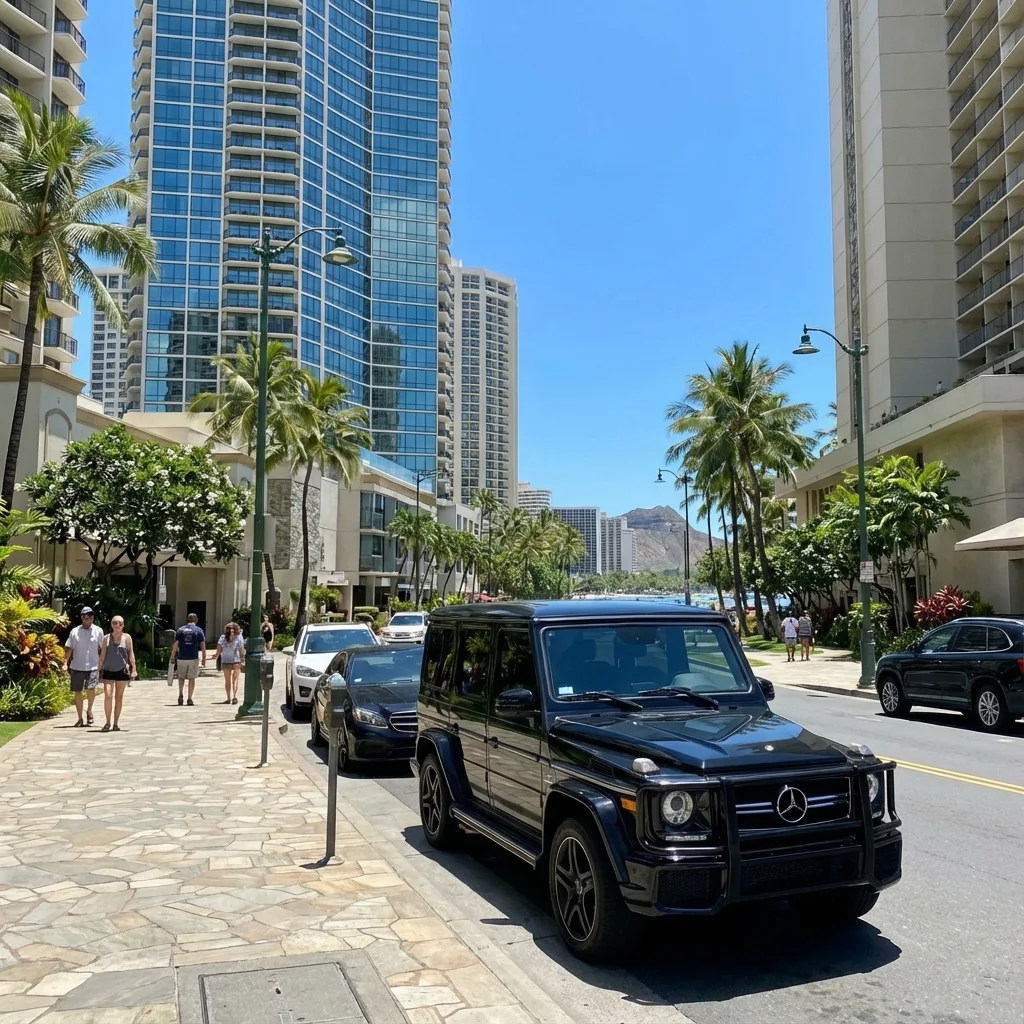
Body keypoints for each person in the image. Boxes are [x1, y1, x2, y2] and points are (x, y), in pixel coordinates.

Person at [64, 606, 104, 727]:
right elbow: (69, 648)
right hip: (77, 666)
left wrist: (102, 664)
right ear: (81, 617)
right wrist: (65, 663)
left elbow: (103, 648)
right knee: (78, 692)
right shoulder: (75, 631)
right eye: (85, 616)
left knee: (91, 689)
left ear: (92, 618)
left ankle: (89, 710)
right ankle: (80, 718)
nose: (87, 619)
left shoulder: (98, 631)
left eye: (90, 616)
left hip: (93, 666)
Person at [99, 616, 136, 731]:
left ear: (123, 625)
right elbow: (102, 656)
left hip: (122, 670)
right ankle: (107, 722)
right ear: (111, 625)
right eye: (115, 623)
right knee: (108, 695)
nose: (117, 625)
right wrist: (98, 669)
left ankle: (116, 723)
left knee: (119, 697)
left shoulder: (127, 638)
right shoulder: (106, 638)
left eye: (120, 623)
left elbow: (131, 654)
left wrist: (134, 669)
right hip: (108, 670)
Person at [171, 612, 206, 706]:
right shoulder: (199, 630)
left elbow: (176, 644)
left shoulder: (180, 630)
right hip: (193, 657)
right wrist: (204, 658)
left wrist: (172, 656)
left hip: (181, 657)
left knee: (181, 677)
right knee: (192, 678)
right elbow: (202, 645)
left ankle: (180, 694)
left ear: (187, 620)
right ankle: (189, 698)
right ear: (196, 620)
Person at [216, 621, 245, 705]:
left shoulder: (222, 637)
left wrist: (216, 656)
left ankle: (228, 698)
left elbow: (219, 650)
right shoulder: (239, 637)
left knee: (227, 680)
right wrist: (242, 659)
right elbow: (241, 649)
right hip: (236, 660)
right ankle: (234, 696)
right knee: (235, 680)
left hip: (226, 660)